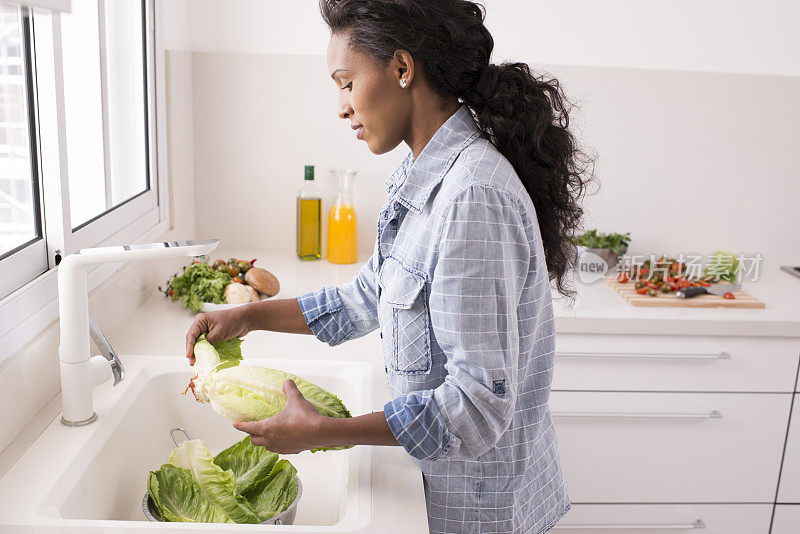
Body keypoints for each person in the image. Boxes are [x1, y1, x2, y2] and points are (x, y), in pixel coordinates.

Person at [185, 0, 594, 531]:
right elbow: (367, 297)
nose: (341, 106)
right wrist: (248, 318)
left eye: (346, 82)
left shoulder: (471, 197)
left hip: (478, 509)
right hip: (442, 486)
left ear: (402, 69)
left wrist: (327, 431)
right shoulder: (422, 174)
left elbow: (478, 407)